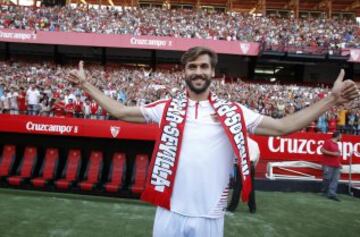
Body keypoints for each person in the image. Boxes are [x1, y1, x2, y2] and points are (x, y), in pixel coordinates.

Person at [67, 47, 359, 237]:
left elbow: (284, 126)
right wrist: (85, 85)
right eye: (192, 66)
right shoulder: (166, 107)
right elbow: (119, 111)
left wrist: (331, 100)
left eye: (204, 67)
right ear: (184, 72)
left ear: (213, 73)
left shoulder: (234, 112)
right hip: (169, 212)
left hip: (210, 218)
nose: (198, 72)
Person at [227, 137, 260, 213]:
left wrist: (234, 164)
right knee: (250, 187)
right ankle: (252, 208)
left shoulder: (238, 143)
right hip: (250, 165)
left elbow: (234, 156)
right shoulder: (254, 143)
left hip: (240, 165)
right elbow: (257, 156)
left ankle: (232, 207)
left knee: (237, 187)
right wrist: (252, 166)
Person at [320, 131, 342, 202]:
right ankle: (324, 191)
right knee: (327, 179)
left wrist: (339, 163)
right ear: (337, 136)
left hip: (336, 165)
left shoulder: (337, 144)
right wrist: (333, 153)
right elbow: (322, 150)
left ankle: (332, 194)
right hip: (328, 164)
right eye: (340, 136)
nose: (341, 137)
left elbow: (337, 155)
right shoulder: (328, 142)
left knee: (335, 180)